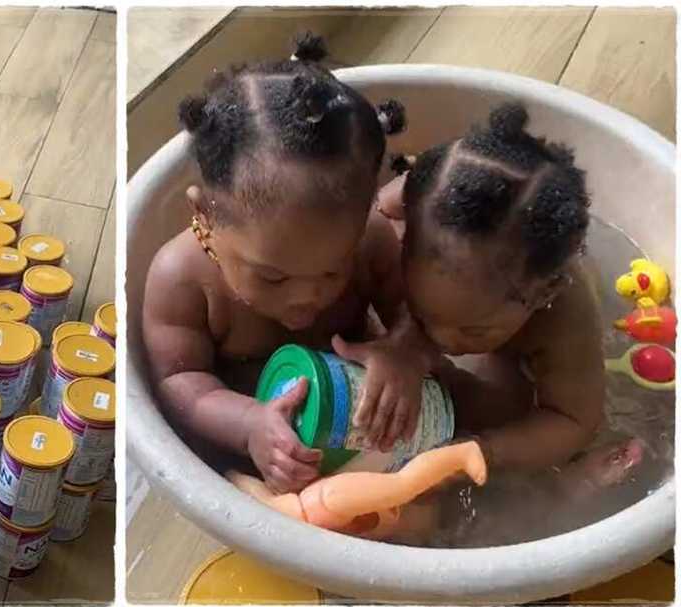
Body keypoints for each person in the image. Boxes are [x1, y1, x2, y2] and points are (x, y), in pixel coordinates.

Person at [142, 33, 431, 494]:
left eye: (333, 269)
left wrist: (404, 353)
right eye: (272, 275)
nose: (307, 297)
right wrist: (249, 424)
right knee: (245, 490)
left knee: (462, 411)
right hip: (260, 444)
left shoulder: (371, 238)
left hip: (360, 420)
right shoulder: (182, 278)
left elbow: (417, 311)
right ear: (205, 217)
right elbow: (180, 382)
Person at [379, 102, 602, 474]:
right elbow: (374, 217)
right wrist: (403, 339)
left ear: (544, 293)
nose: (443, 341)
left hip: (519, 346)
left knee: (502, 409)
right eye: (423, 312)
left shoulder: (563, 314)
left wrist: (479, 452)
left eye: (473, 329)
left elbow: (574, 422)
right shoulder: (419, 200)